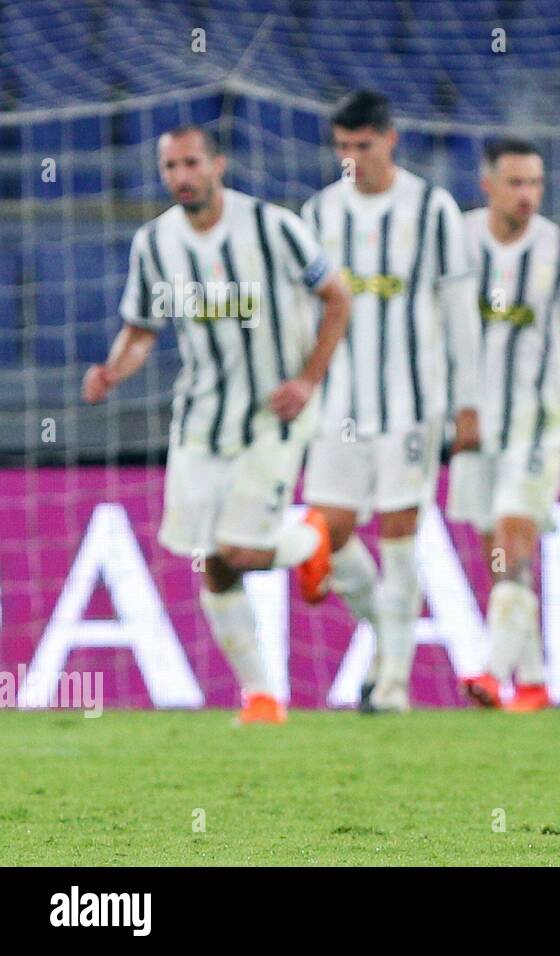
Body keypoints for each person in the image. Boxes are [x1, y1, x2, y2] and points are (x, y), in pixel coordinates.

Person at [84, 124, 351, 723]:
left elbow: (338, 296)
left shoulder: (272, 226)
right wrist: (113, 372)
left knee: (238, 547)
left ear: (217, 165)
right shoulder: (155, 243)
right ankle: (261, 696)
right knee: (212, 559)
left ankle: (311, 535)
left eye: (191, 163)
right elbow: (141, 331)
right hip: (200, 421)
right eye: (170, 166)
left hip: (273, 416)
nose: (181, 176)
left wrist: (309, 377)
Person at [298, 90, 481, 714]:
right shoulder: (319, 211)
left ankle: (393, 681)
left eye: (363, 146)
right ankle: (389, 635)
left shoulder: (432, 209)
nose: (352, 159)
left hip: (412, 405)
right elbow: (305, 312)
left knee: (399, 537)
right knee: (328, 530)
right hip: (339, 406)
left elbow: (459, 314)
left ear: (390, 140)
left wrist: (467, 403)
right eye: (342, 147)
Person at [449, 139, 560, 711]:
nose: (528, 195)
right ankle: (534, 681)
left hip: (538, 420)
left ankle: (491, 672)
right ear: (488, 184)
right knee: (498, 551)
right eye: (515, 183)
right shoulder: (457, 243)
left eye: (536, 183)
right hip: (473, 422)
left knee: (513, 532)